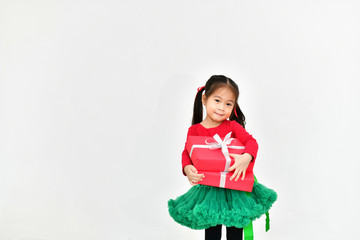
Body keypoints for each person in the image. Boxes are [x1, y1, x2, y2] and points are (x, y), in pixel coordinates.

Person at [168, 75, 277, 240]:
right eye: (217, 100)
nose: (221, 108)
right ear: (204, 99)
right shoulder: (195, 130)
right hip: (209, 190)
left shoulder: (232, 126)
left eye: (228, 104)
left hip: (234, 187)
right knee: (212, 230)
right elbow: (187, 153)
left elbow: (251, 142)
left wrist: (246, 157)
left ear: (233, 106)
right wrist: (187, 168)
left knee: (235, 229)